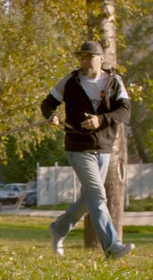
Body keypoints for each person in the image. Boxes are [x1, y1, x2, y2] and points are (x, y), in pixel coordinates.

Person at [40, 40, 134, 259]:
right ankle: (112, 247)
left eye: (89, 56)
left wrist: (100, 120)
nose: (85, 60)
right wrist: (52, 116)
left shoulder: (114, 82)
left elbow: (125, 111)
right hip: (78, 147)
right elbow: (47, 103)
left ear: (101, 59)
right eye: (82, 57)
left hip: (104, 148)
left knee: (89, 199)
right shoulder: (70, 82)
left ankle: (59, 228)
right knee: (98, 195)